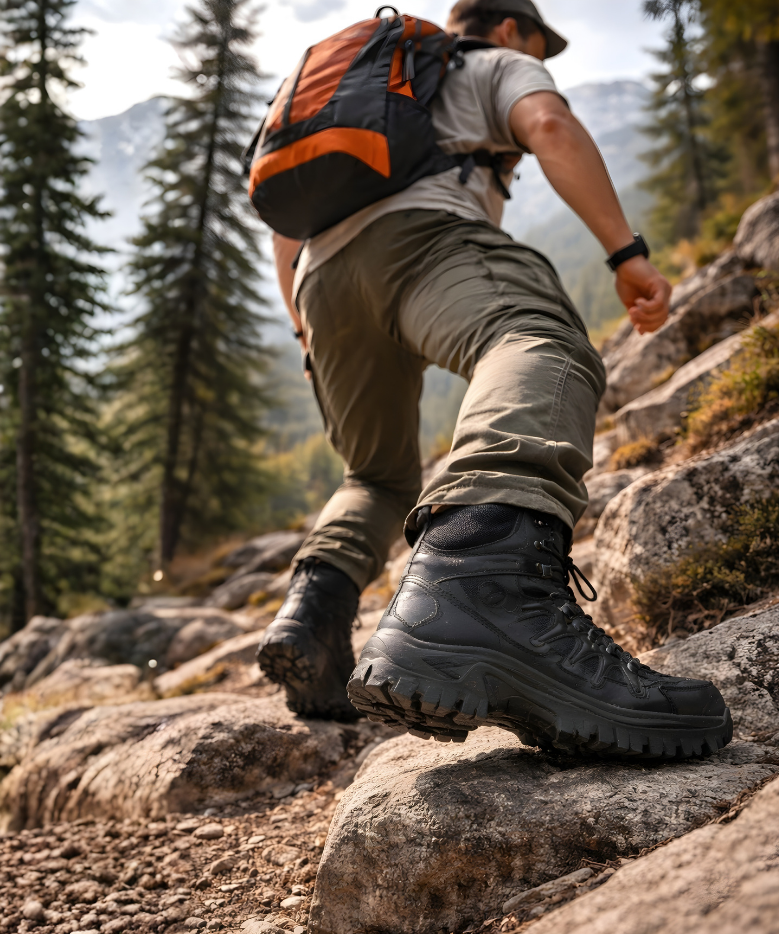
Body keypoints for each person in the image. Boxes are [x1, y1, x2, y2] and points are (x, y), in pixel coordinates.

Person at [258, 0, 732, 758]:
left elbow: (287, 232)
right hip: (424, 240)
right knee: (539, 341)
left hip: (322, 282)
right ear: (511, 27)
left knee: (376, 475)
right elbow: (549, 127)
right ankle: (487, 584)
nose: (544, 53)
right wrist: (625, 254)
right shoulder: (489, 62)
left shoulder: (371, 95)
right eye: (541, 42)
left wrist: (307, 329)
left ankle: (314, 617)